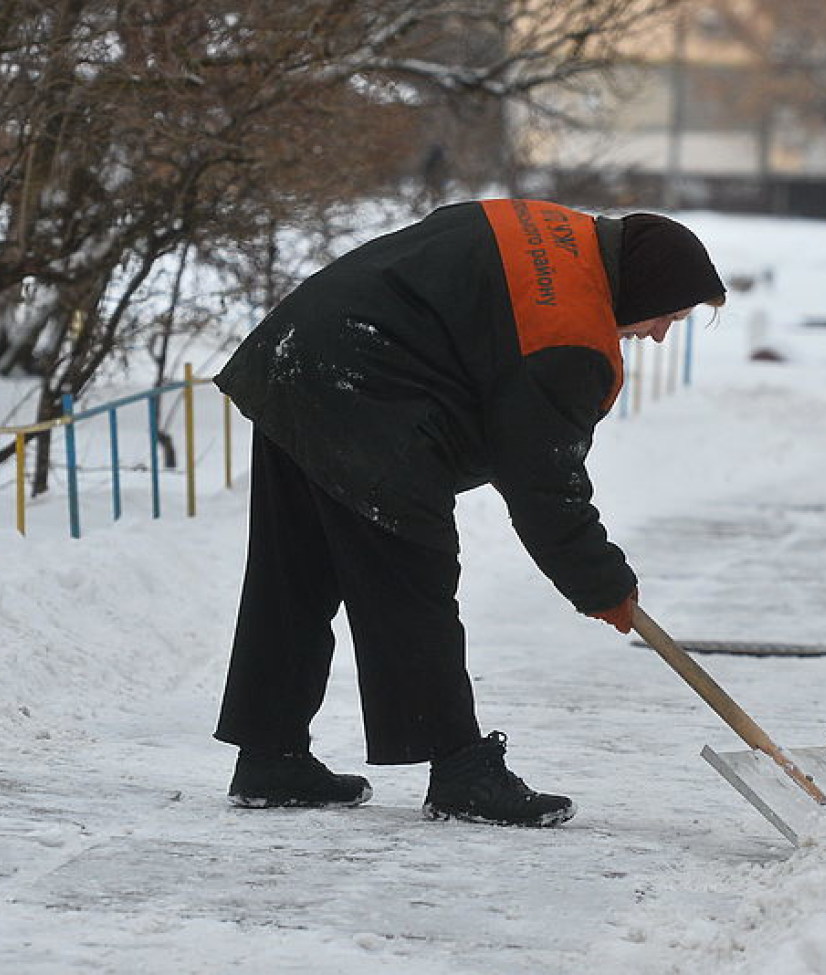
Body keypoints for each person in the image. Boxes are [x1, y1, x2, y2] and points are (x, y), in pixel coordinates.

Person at [212, 198, 726, 827]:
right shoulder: (568, 332)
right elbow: (544, 482)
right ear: (644, 286)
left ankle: (271, 754)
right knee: (413, 580)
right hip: (364, 387)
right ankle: (461, 771)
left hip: (295, 355)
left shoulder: (549, 228)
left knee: (294, 572)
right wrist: (602, 583)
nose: (658, 334)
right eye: (667, 315)